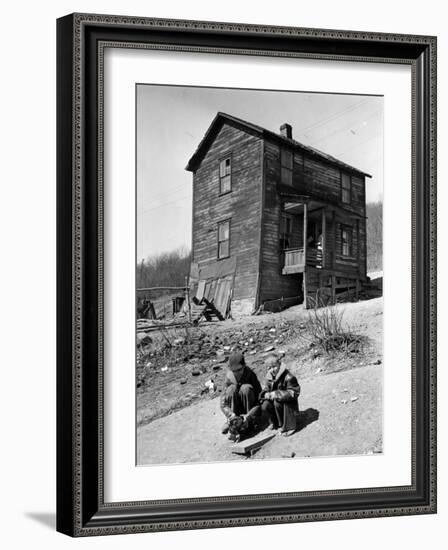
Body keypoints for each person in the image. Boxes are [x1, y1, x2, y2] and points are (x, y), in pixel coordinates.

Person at [220, 351, 262, 437]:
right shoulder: (228, 378)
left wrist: (249, 415)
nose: (237, 373)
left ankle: (250, 423)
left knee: (246, 388)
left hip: (248, 410)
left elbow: (260, 398)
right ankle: (233, 424)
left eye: (239, 370)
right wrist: (230, 415)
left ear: (244, 366)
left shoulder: (250, 374)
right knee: (231, 389)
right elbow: (223, 403)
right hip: (235, 411)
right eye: (234, 371)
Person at [260, 354, 300, 437]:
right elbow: (266, 388)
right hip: (276, 402)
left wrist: (276, 394)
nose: (272, 370)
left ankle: (288, 426)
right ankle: (275, 422)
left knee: (277, 402)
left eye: (274, 366)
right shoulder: (270, 377)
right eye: (269, 368)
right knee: (265, 405)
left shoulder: (289, 377)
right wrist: (265, 393)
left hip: (288, 404)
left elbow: (294, 392)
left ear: (279, 364)